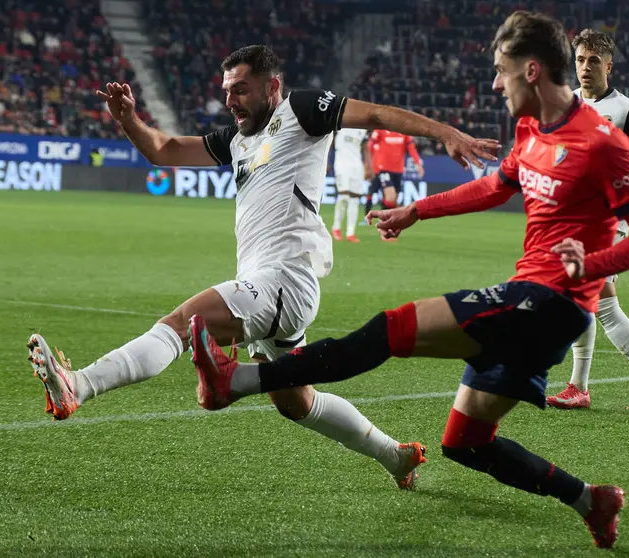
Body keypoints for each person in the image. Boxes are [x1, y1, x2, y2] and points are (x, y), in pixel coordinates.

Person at [187, 13, 629, 549]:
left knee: (390, 329)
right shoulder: (532, 130)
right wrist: (416, 211)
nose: (494, 83)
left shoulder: (604, 143)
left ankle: (239, 382)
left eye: (500, 71)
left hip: (548, 303)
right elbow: (494, 189)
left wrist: (590, 266)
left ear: (531, 71)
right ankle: (592, 500)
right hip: (533, 303)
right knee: (465, 444)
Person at [26, 45, 499, 489]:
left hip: (282, 281)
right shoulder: (237, 140)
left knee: (181, 324)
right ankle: (394, 456)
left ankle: (79, 385)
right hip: (270, 289)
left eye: (240, 89)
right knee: (297, 402)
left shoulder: (301, 111)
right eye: (226, 90)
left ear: (272, 87)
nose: (230, 99)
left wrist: (448, 134)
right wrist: (129, 119)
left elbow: (373, 114)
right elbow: (164, 150)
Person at [547, 29, 629, 411]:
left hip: (608, 220)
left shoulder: (625, 111)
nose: (586, 68)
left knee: (598, 302)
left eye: (594, 62)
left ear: (609, 66)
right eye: (581, 60)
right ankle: (581, 387)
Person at [364, 130, 424, 219]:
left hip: (398, 170)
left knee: (393, 200)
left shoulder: (404, 132)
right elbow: (370, 146)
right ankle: (371, 216)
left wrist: (418, 163)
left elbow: (411, 148)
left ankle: (387, 219)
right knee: (388, 196)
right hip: (383, 168)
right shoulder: (380, 130)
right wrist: (369, 165)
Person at [330, 127, 370, 242]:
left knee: (354, 199)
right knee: (344, 196)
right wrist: (326, 160)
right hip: (342, 162)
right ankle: (336, 227)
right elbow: (330, 141)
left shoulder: (363, 128)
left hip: (357, 164)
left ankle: (350, 232)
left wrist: (368, 166)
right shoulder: (342, 123)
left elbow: (365, 147)